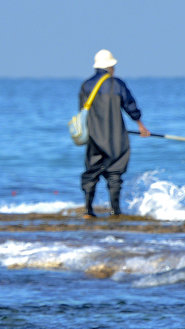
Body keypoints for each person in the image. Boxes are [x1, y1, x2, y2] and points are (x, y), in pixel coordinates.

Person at [79, 49, 150, 217]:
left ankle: (88, 210)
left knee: (91, 173)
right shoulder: (116, 84)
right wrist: (140, 125)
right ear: (110, 66)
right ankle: (115, 211)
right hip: (116, 137)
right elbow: (130, 106)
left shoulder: (86, 85)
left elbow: (82, 112)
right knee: (115, 174)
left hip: (94, 137)